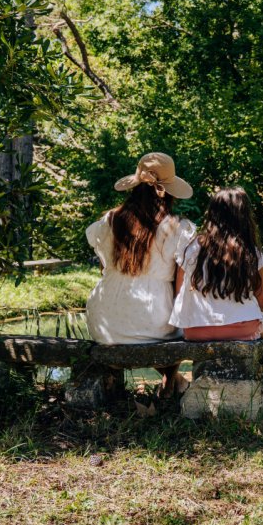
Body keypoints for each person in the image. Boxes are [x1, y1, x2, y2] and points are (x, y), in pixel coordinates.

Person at [85, 152, 195, 396]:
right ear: (167, 191)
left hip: (105, 322)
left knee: (152, 321)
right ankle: (170, 382)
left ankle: (171, 382)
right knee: (171, 324)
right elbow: (180, 287)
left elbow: (105, 269)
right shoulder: (179, 227)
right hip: (152, 318)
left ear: (135, 187)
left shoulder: (111, 220)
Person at [169, 186, 263, 347]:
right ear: (245, 217)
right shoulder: (251, 253)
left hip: (195, 331)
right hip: (242, 329)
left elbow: (179, 293)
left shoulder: (192, 249)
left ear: (211, 214)